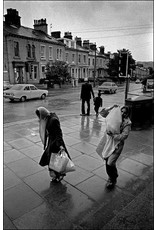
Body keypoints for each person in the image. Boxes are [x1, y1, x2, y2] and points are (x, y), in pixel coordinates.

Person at [35, 107, 71, 182]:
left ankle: (59, 175)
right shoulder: (49, 117)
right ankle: (56, 175)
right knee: (53, 161)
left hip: (55, 143)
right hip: (52, 142)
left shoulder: (53, 120)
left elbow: (59, 133)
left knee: (57, 160)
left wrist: (60, 145)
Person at [105, 105, 132, 189]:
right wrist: (111, 107)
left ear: (128, 114)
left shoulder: (127, 123)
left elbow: (124, 136)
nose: (123, 113)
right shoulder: (116, 116)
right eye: (122, 111)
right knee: (107, 160)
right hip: (109, 142)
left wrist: (113, 135)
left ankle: (112, 179)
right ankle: (112, 175)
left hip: (117, 145)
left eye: (125, 112)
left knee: (110, 162)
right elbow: (103, 113)